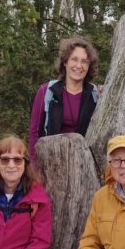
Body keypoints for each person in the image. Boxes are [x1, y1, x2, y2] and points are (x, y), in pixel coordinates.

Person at [27, 37, 101, 167]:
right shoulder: (47, 91)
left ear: (89, 66)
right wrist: (34, 167)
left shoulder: (95, 95)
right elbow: (34, 132)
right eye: (74, 59)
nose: (79, 66)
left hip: (84, 166)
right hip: (50, 164)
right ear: (65, 62)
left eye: (84, 61)